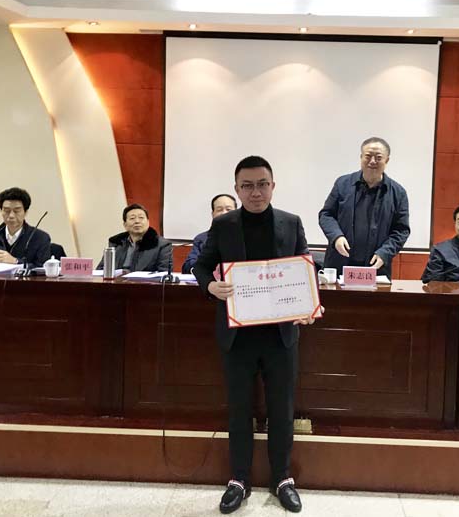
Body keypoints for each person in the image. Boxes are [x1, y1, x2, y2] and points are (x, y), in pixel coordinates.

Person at [194, 156, 318, 514]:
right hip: (238, 335)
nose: (255, 192)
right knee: (239, 409)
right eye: (247, 186)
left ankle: (282, 478)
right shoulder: (224, 224)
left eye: (262, 184)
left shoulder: (291, 222)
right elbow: (201, 265)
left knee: (282, 409)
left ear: (273, 186)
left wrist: (309, 305)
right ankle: (239, 479)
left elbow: (304, 266)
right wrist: (210, 286)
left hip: (281, 336)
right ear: (236, 189)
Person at [318, 136, 409, 279]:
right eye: (368, 156)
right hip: (339, 262)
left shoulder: (398, 193)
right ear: (361, 157)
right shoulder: (342, 184)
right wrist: (336, 236)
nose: (372, 161)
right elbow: (326, 215)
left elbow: (401, 230)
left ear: (387, 160)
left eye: (378, 157)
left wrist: (385, 252)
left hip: (376, 266)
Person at [0, 187, 51, 268]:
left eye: (17, 211)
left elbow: (43, 268)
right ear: (1, 211)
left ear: (25, 212)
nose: (11, 216)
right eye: (6, 210)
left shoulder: (41, 238)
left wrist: (15, 261)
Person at [98, 204, 172, 272]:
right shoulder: (116, 243)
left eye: (141, 217)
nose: (137, 221)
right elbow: (101, 270)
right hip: (116, 281)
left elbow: (164, 274)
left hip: (144, 282)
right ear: (125, 225)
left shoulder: (162, 245)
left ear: (148, 222)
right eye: (132, 218)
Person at [181, 194, 237, 274]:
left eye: (228, 209)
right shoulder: (201, 238)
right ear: (213, 214)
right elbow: (188, 266)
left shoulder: (245, 236)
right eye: (219, 210)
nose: (224, 213)